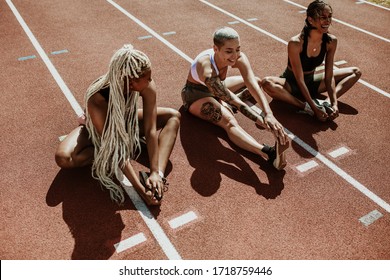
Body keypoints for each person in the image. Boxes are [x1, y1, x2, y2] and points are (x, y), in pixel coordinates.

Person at [55, 44, 181, 206]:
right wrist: (141, 192)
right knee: (64, 158)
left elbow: (150, 130)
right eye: (147, 78)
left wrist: (156, 172)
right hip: (97, 133)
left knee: (173, 116)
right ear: (132, 81)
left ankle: (159, 177)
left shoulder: (146, 86)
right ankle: (103, 153)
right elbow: (115, 147)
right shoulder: (98, 98)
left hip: (126, 123)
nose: (151, 81)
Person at [181, 26, 289, 171]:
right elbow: (236, 102)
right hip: (196, 95)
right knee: (230, 122)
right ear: (215, 49)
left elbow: (252, 84)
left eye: (237, 49)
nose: (234, 55)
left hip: (220, 89)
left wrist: (269, 114)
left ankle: (223, 105)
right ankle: (268, 153)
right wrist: (265, 124)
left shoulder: (239, 57)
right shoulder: (207, 69)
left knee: (257, 81)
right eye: (229, 51)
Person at [261, 0, 361, 122]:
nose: (328, 21)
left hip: (314, 81)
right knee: (266, 83)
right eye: (323, 17)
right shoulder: (296, 43)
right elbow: (299, 79)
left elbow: (329, 77)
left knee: (355, 72)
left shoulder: (331, 41)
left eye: (329, 17)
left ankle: (325, 104)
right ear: (310, 20)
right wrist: (313, 108)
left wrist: (333, 103)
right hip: (292, 84)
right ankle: (304, 106)